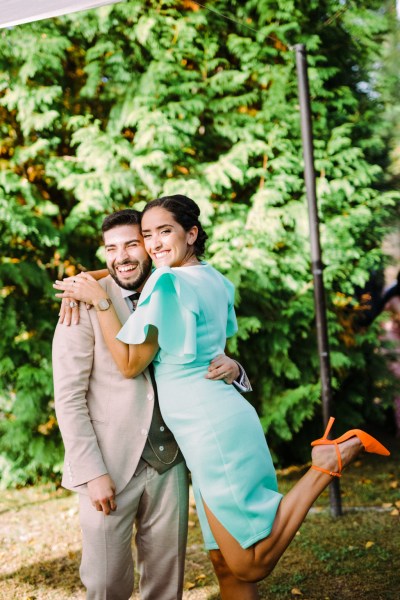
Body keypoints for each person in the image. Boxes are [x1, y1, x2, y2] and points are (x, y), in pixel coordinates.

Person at [54, 195, 390, 599]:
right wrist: (88, 282)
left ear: (191, 233)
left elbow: (130, 364)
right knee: (229, 570)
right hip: (210, 419)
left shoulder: (166, 281)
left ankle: (326, 462)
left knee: (250, 562)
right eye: (147, 235)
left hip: (206, 428)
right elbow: (205, 347)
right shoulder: (213, 277)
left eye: (161, 233)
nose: (150, 244)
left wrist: (100, 298)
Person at [52, 208, 250, 600]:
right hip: (108, 465)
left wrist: (234, 365)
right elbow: (68, 398)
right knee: (106, 584)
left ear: (150, 246)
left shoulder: (175, 288)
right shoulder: (83, 304)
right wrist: (91, 472)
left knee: (166, 584)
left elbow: (202, 350)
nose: (121, 256)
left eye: (131, 244)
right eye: (110, 248)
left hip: (169, 462)